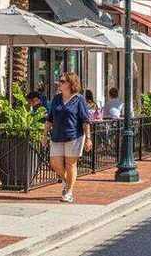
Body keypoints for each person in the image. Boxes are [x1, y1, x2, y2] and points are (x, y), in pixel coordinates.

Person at [43, 72, 92, 203]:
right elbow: (50, 119)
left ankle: (69, 191)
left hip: (74, 136)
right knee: (55, 163)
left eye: (63, 81)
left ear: (71, 84)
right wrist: (44, 135)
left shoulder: (79, 99)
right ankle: (66, 181)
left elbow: (85, 120)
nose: (60, 83)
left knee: (71, 164)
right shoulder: (56, 99)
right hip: (57, 136)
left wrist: (88, 138)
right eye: (60, 81)